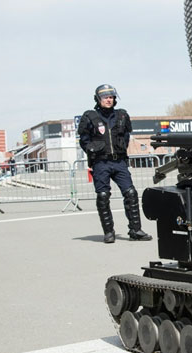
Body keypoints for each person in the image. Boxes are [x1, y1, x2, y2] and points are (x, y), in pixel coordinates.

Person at [78, 84, 152, 244]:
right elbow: (84, 140)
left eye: (111, 97)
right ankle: (109, 232)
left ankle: (135, 230)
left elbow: (125, 135)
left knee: (131, 193)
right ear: (98, 99)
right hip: (100, 163)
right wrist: (92, 150)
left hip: (119, 161)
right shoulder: (90, 117)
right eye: (105, 97)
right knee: (103, 196)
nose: (109, 100)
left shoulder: (121, 115)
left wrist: (121, 148)